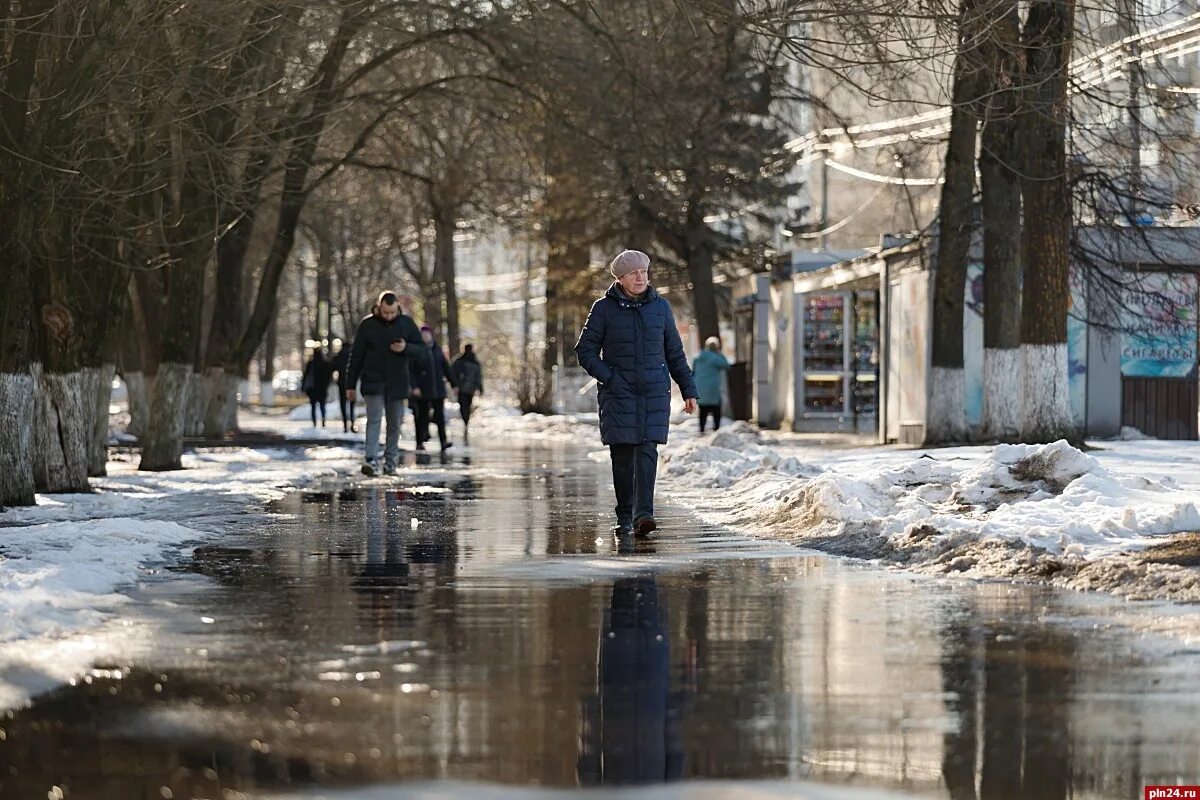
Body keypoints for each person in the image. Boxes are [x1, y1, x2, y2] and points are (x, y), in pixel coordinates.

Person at [575, 249, 698, 537]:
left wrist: (688, 389)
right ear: (620, 278)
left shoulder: (660, 308)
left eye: (644, 271)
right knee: (622, 455)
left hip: (653, 392)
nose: (641, 277)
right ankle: (624, 515)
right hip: (618, 393)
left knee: (647, 451)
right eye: (634, 273)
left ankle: (644, 514)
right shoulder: (603, 309)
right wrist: (610, 378)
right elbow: (585, 351)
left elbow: (675, 353)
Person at [346, 291, 430, 476]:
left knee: (394, 424)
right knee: (374, 420)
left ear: (397, 307)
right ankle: (371, 460)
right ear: (379, 307)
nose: (389, 316)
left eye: (392, 312)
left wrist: (406, 348)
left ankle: (390, 462)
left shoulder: (406, 324)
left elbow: (422, 351)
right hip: (373, 381)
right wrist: (350, 385)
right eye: (385, 312)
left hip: (398, 382)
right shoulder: (367, 325)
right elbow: (356, 356)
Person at [409, 324, 455, 452]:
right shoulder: (416, 350)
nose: (425, 337)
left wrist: (453, 383)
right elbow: (411, 371)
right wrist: (414, 386)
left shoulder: (437, 350)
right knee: (421, 417)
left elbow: (446, 368)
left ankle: (443, 441)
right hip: (422, 391)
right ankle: (420, 441)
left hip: (438, 390)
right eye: (422, 335)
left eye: (427, 335)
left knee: (440, 417)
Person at [691, 336, 730, 433]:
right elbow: (726, 365)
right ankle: (716, 429)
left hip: (700, 388)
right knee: (716, 409)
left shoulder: (698, 356)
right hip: (713, 388)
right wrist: (720, 354)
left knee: (703, 410)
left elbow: (693, 371)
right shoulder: (716, 358)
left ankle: (701, 429)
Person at [450, 343, 483, 445]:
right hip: (467, 389)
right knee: (466, 406)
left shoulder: (460, 361)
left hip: (464, 389)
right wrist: (480, 388)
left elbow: (452, 373)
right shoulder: (472, 362)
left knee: (464, 406)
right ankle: (466, 421)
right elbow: (479, 376)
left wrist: (455, 385)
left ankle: (466, 421)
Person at [301, 346, 334, 427]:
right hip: (322, 389)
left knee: (313, 407)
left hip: (313, 390)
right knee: (322, 406)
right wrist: (326, 385)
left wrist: (303, 387)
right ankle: (323, 421)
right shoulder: (325, 364)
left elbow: (306, 376)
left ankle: (314, 422)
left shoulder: (311, 364)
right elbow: (329, 377)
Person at [329, 340, 356, 433]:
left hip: (342, 383)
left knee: (343, 404)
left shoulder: (340, 355)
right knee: (352, 404)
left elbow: (332, 366)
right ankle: (352, 423)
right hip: (352, 383)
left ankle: (345, 425)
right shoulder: (353, 355)